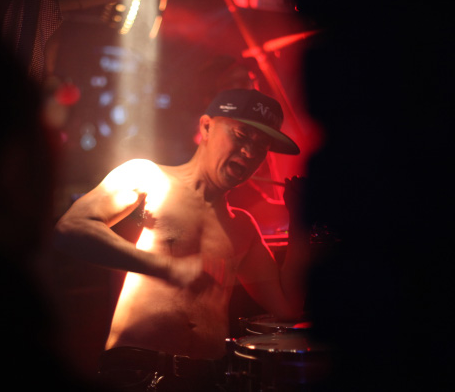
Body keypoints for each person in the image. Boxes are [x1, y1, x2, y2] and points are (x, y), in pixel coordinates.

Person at [54, 88, 311, 391]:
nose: (250, 152)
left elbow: (287, 308)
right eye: (242, 135)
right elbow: (71, 227)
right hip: (137, 373)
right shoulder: (149, 176)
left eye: (262, 145)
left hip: (207, 380)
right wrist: (167, 267)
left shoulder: (243, 227)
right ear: (206, 126)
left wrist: (300, 219)